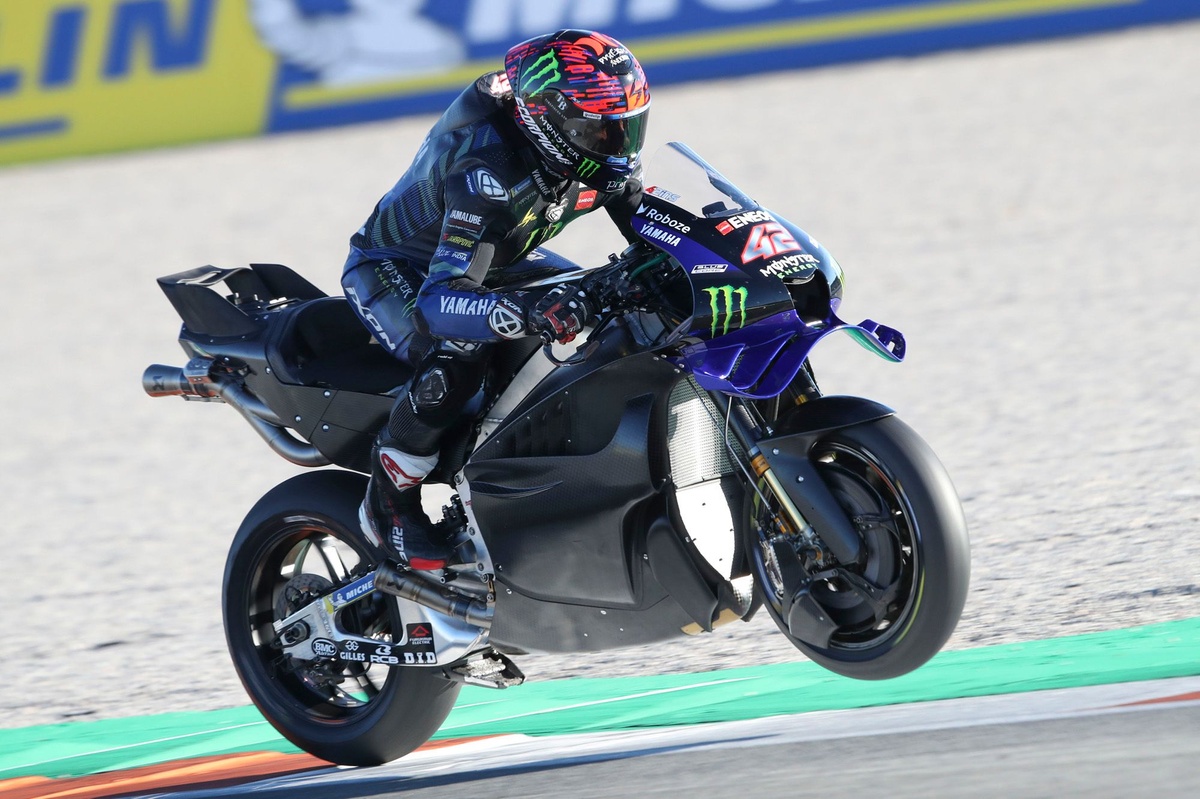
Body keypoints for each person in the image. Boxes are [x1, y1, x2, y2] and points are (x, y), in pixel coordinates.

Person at [341, 30, 652, 570]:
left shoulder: (599, 157)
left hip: (499, 257)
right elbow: (437, 304)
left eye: (627, 124)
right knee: (458, 354)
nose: (618, 141)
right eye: (601, 128)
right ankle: (388, 501)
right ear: (550, 121)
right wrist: (527, 313)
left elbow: (651, 235)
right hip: (403, 270)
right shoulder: (486, 173)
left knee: (610, 304)